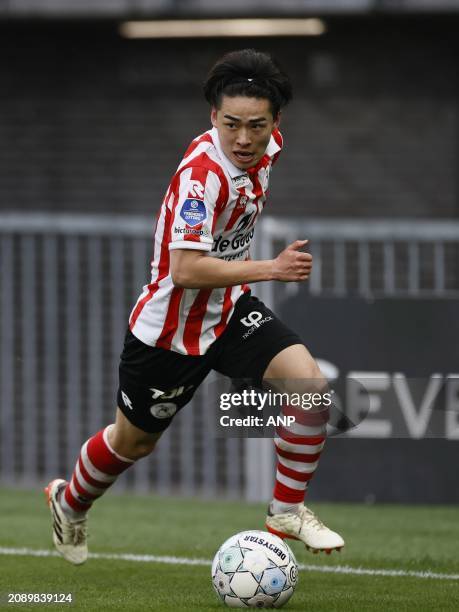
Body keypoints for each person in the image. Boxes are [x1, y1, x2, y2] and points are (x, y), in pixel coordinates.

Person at [45, 48, 344, 565]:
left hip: (227, 312)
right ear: (213, 117)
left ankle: (286, 510)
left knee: (310, 388)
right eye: (232, 125)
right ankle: (67, 503)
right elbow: (185, 270)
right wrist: (271, 268)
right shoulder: (200, 177)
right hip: (168, 334)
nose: (244, 139)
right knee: (132, 444)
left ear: (276, 121)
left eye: (257, 124)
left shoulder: (269, 148)